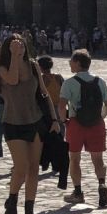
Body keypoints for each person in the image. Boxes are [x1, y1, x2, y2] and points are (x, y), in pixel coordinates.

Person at [0, 34, 47, 214]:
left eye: (22, 46)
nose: (20, 49)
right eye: (15, 47)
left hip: (35, 120)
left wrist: (56, 120)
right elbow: (13, 81)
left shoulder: (33, 65)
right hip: (13, 122)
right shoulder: (1, 69)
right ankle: (12, 199)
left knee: (34, 168)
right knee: (21, 166)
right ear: (8, 49)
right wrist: (14, 57)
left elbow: (43, 92)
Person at [62, 49, 107, 208]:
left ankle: (78, 192)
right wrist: (100, 118)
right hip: (96, 124)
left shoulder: (70, 82)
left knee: (74, 159)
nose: (69, 63)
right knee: (98, 159)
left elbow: (61, 104)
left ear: (77, 63)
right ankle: (102, 184)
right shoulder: (100, 81)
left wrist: (65, 121)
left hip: (76, 124)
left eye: (71, 61)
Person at [36, 55, 70, 193]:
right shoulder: (58, 77)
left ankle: (46, 161)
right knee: (60, 137)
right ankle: (58, 163)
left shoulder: (41, 79)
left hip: (46, 110)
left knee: (46, 138)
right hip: (60, 109)